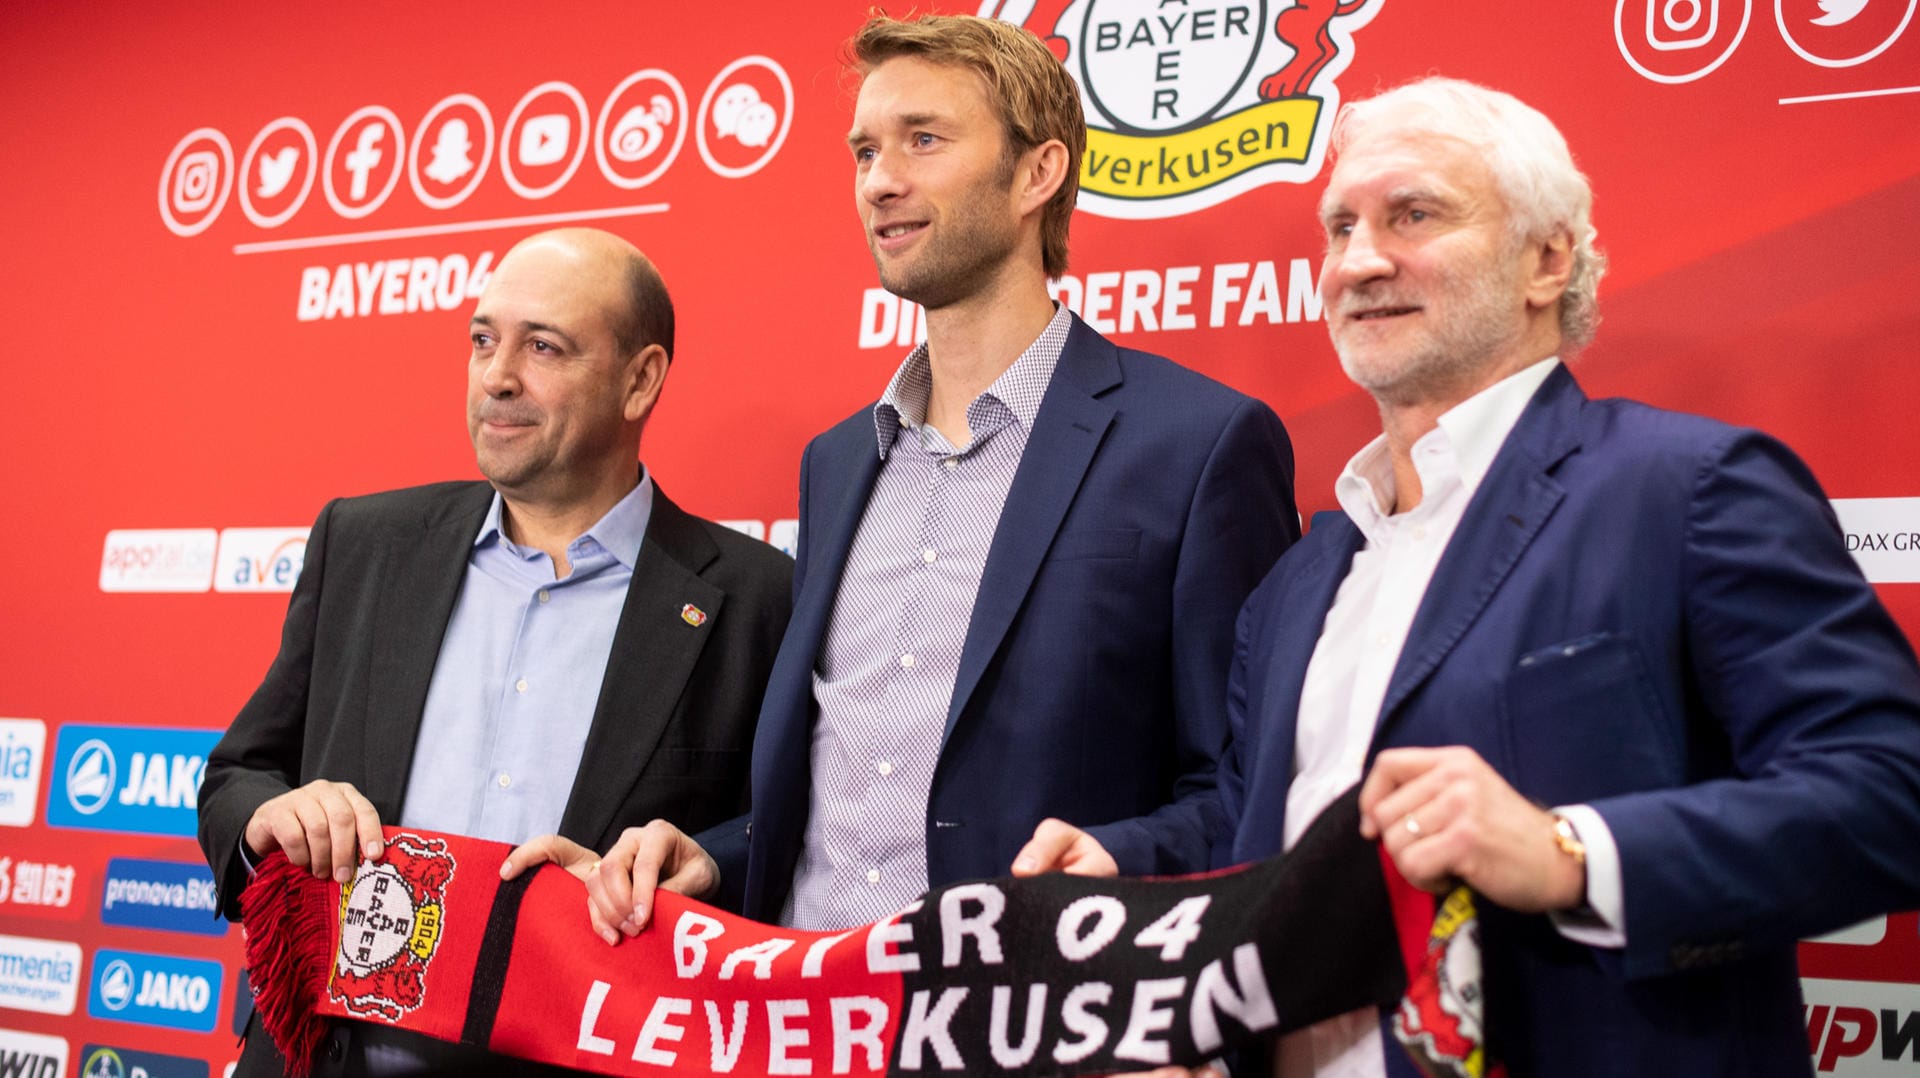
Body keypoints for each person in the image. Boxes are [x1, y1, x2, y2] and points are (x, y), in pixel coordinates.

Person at [1018, 77, 1920, 1076]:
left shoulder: (1687, 488)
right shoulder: (1301, 579)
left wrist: (1568, 853)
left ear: (1547, 259)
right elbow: (1256, 822)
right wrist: (1128, 863)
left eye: (1413, 214)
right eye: (1339, 227)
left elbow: (1889, 796)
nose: (1360, 260)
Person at [503, 13, 1297, 941]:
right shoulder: (837, 463)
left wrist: (1121, 860)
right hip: (802, 1020)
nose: (882, 180)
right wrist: (715, 855)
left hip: (1029, 1018)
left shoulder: (1199, 444)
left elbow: (1244, 790)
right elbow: (838, 795)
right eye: (865, 151)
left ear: (1038, 174)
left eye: (923, 140)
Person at [197, 228, 794, 1077]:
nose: (497, 376)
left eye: (542, 346)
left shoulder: (759, 598)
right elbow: (237, 779)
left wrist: (703, 863)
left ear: (641, 378)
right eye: (483, 340)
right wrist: (268, 820)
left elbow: (782, 839)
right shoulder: (364, 544)